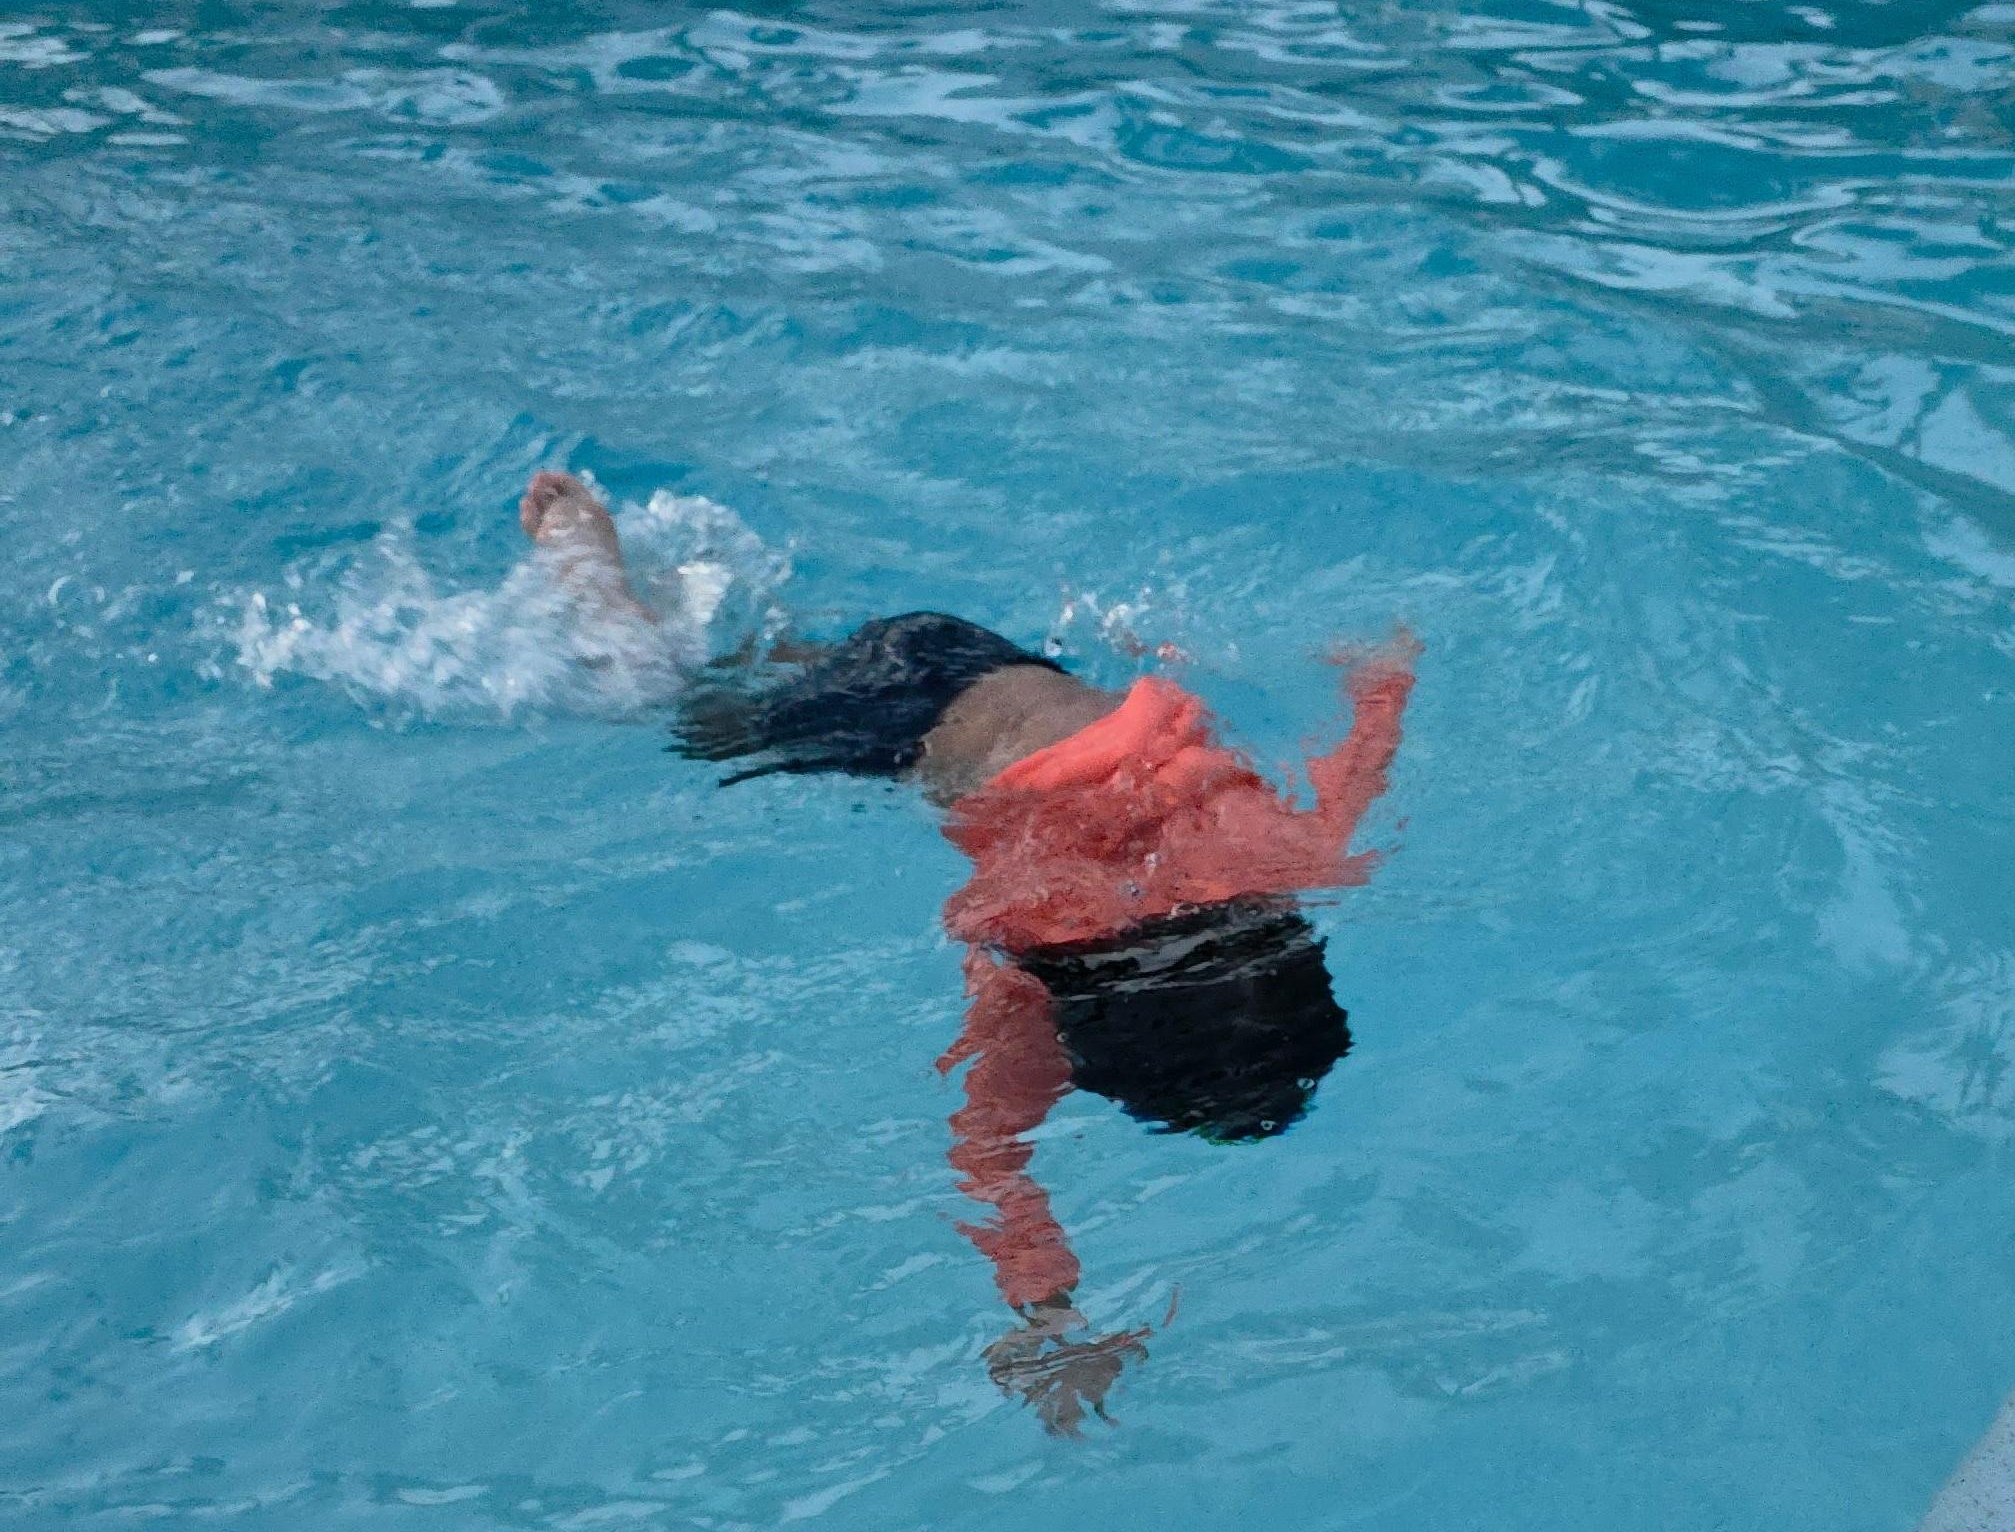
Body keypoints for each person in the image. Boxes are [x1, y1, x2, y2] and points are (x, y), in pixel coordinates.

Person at [522, 468, 1414, 1435]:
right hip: (896, 722)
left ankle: (716, 605)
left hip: (981, 658)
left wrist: (1380, 674)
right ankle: (590, 575)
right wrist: (1050, 1314)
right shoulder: (1037, 955)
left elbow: (1364, 749)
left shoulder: (1297, 858)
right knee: (673, 708)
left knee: (767, 664)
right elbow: (992, 1156)